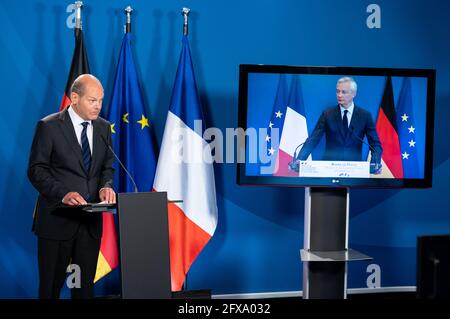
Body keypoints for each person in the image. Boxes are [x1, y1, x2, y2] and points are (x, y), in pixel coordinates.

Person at [27, 74, 116, 299]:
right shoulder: (49, 126)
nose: (98, 106)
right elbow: (36, 170)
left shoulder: (104, 128)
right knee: (50, 289)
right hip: (57, 221)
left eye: (101, 101)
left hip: (89, 225)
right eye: (92, 100)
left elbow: (107, 167)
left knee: (84, 290)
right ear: (74, 98)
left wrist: (106, 186)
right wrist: (63, 194)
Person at [295, 77, 382, 173]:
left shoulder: (365, 116)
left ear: (353, 94)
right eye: (337, 91)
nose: (339, 95)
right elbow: (313, 139)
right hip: (329, 170)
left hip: (354, 170)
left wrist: (375, 162)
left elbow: (375, 143)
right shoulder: (327, 114)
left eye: (344, 92)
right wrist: (300, 159)